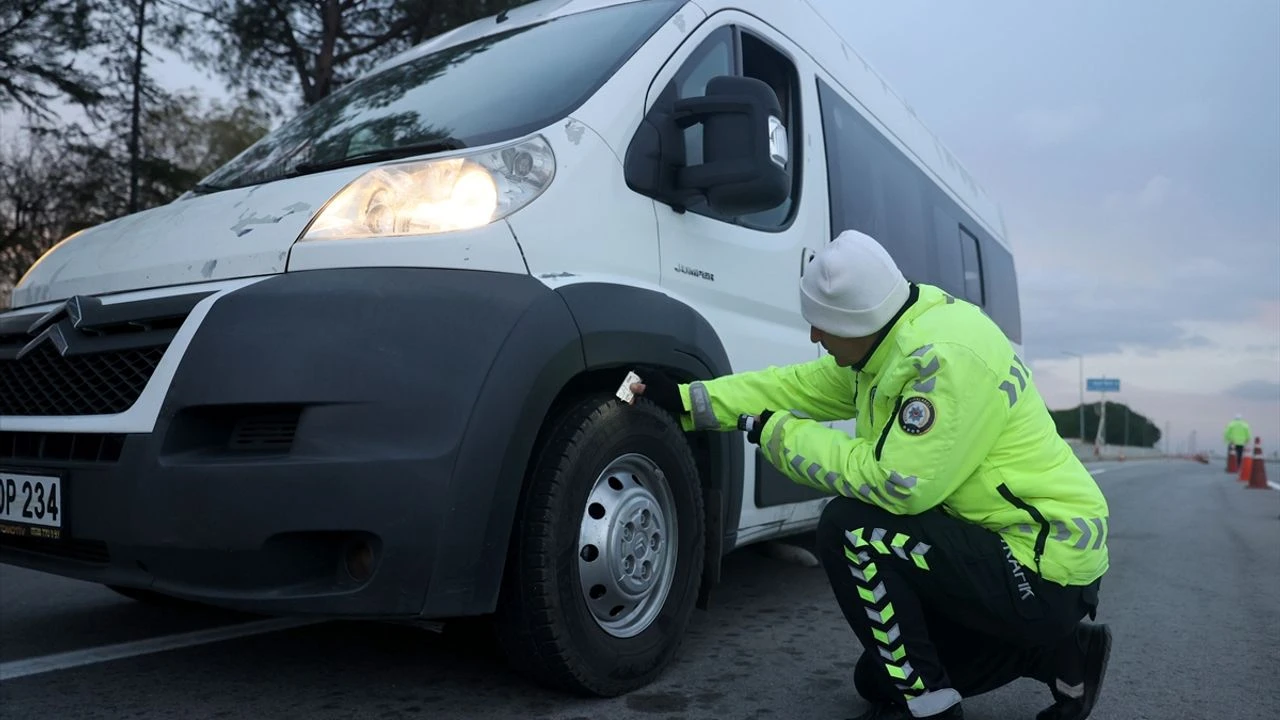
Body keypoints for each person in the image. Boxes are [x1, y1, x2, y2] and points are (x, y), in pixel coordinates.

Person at [630, 230, 1112, 720]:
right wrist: (692, 399)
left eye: (820, 324)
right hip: (1004, 547)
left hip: (1040, 564)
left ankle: (931, 708)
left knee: (851, 529)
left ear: (855, 320)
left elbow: (899, 485)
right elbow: (794, 386)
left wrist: (779, 436)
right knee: (877, 678)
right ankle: (1063, 654)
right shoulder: (890, 339)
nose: (814, 336)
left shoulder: (941, 362)